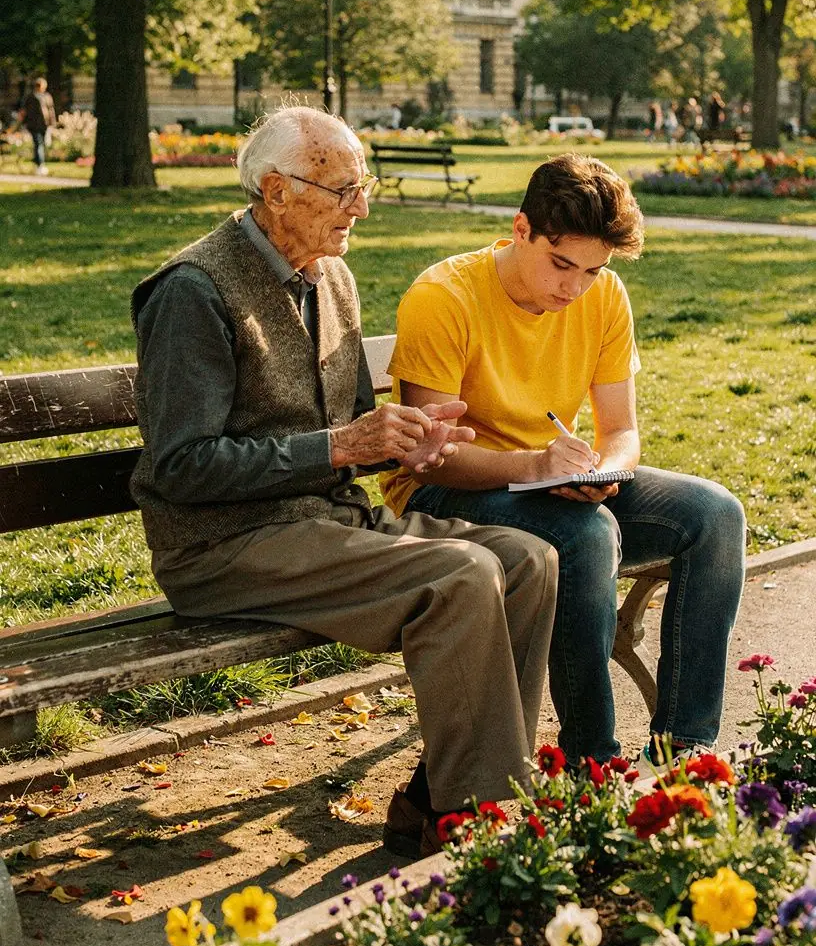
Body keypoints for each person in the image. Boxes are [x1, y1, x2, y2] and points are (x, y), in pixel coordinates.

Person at [130, 106, 558, 854]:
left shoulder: (331, 277)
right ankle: (485, 833)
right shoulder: (192, 291)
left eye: (365, 186)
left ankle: (446, 795)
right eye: (345, 190)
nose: (362, 206)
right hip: (222, 546)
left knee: (529, 560)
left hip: (324, 524)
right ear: (276, 191)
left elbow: (352, 428)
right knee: (460, 577)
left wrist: (407, 445)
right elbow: (181, 465)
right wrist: (336, 449)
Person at [380, 154, 746, 773]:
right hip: (446, 491)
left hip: (553, 480)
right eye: (561, 263)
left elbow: (622, 431)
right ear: (521, 229)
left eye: (593, 269)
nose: (574, 287)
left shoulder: (602, 295)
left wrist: (604, 472)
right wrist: (532, 467)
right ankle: (591, 761)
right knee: (586, 535)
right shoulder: (443, 297)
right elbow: (430, 459)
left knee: (716, 515)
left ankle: (686, 746)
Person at [21, 77, 57, 175]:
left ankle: (38, 164)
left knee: (42, 144)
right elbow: (24, 111)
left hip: (44, 125)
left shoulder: (47, 96)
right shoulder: (30, 97)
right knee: (38, 144)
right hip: (33, 124)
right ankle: (40, 165)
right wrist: (23, 123)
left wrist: (52, 123)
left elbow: (51, 110)